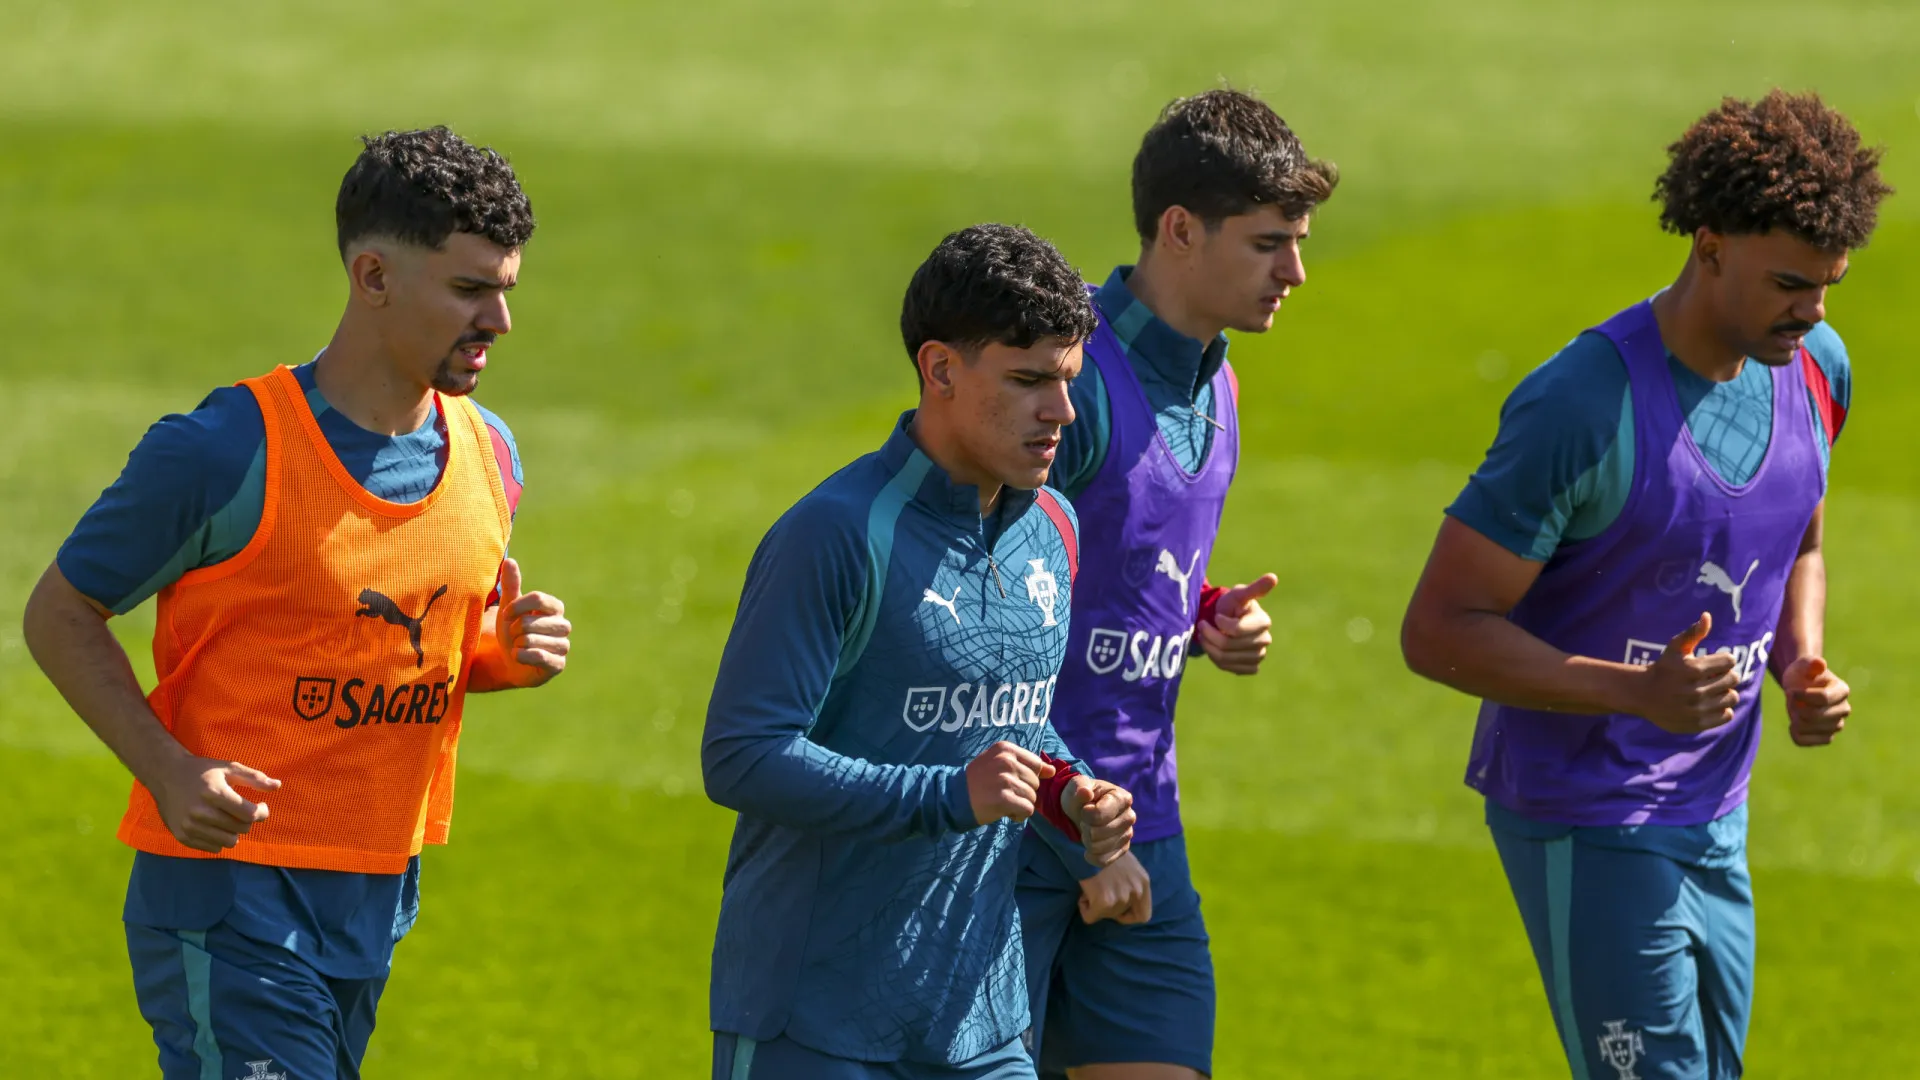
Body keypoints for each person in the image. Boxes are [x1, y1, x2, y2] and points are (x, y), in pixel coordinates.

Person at [21, 126, 573, 1079]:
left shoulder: (491, 457)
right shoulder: (224, 450)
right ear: (374, 277)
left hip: (376, 894)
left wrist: (496, 658)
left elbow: (390, 652)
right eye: (469, 289)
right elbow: (60, 612)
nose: (499, 322)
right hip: (229, 900)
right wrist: (166, 768)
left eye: (505, 291)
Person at [1400, 90, 1890, 1079]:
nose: (1815, 310)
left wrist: (1801, 663)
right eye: (1792, 282)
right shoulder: (1581, 405)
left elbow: (1799, 543)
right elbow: (1438, 627)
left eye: (1830, 285)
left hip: (1719, 810)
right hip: (1590, 812)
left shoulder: (1815, 368)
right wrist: (1634, 692)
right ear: (1709, 247)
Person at [703, 223, 1136, 1080]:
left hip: (980, 1022)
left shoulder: (1054, 527)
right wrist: (947, 796)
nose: (1061, 413)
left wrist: (1074, 794)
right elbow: (741, 757)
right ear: (940, 369)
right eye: (1027, 381)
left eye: (1068, 380)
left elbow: (1011, 719)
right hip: (814, 1024)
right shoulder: (834, 534)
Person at [1016, 89, 1335, 1080]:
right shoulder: (1072, 386)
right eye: (1270, 243)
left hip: (1143, 822)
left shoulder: (1217, 382)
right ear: (1181, 231)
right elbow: (996, 621)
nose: (1297, 272)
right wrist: (1078, 827)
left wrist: (1200, 617)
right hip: (1022, 830)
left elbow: (1109, 566)